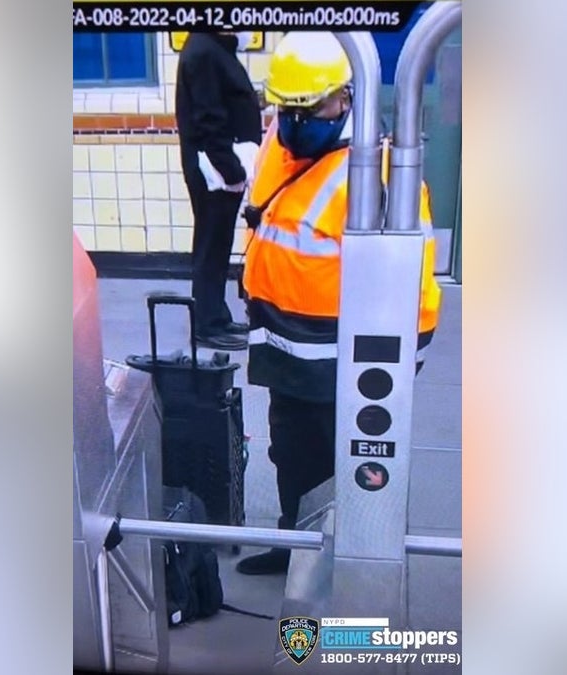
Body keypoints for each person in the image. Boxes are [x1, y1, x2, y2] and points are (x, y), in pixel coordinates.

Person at [235, 32, 442, 575]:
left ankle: (348, 569)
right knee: (292, 458)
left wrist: (399, 363)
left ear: (347, 98)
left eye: (313, 107)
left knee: (347, 470)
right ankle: (295, 548)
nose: (298, 120)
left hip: (344, 365)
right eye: (289, 108)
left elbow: (413, 283)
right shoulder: (281, 139)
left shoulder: (380, 173)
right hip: (282, 350)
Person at [175, 31, 263, 350]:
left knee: (218, 244)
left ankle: (217, 316)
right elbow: (208, 118)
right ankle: (207, 325)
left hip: (221, 166)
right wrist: (232, 169)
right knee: (212, 246)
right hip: (215, 169)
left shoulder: (214, 48)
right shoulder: (204, 51)